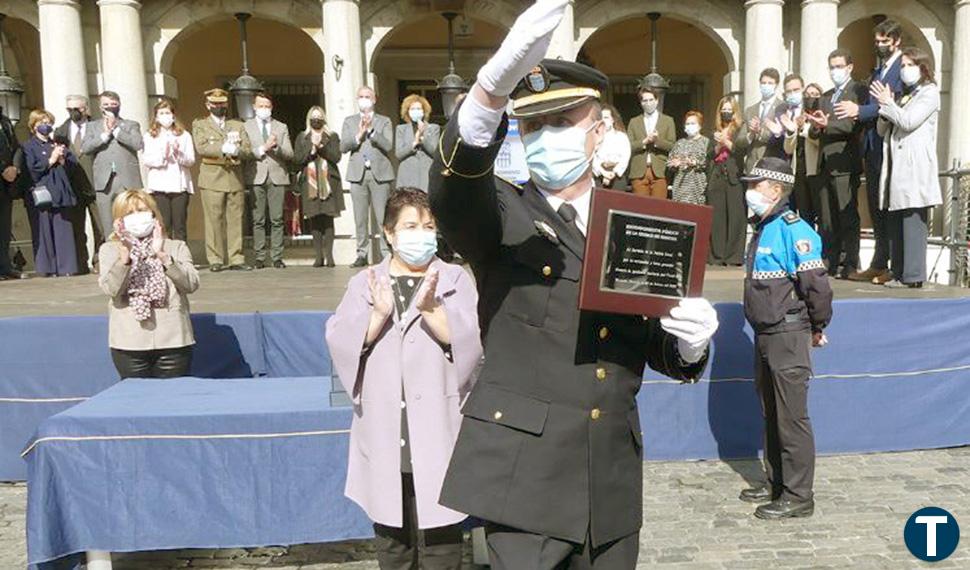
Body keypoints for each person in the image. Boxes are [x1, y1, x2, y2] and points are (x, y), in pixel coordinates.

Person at [428, 2, 720, 566]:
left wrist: (688, 342)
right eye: (532, 125)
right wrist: (488, 93)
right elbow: (454, 190)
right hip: (526, 483)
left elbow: (639, 340)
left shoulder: (636, 222)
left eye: (561, 122)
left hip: (608, 479)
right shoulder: (502, 212)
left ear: (601, 128)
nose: (544, 137)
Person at [326, 188, 481, 570]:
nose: (421, 234)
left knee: (442, 541)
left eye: (428, 226)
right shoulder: (366, 281)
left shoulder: (454, 278)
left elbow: (476, 343)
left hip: (438, 430)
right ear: (389, 233)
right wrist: (377, 316)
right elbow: (339, 341)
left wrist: (434, 315)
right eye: (410, 226)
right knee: (393, 545)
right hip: (386, 432)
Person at [738, 157, 832, 520]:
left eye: (755, 185)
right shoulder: (766, 226)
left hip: (788, 333)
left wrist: (818, 326)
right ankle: (776, 481)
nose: (749, 191)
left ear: (775, 190)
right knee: (772, 414)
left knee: (791, 418)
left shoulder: (796, 230)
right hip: (765, 333)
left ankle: (798, 495)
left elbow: (817, 288)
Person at [98, 189, 199, 379]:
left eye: (142, 211)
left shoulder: (175, 247)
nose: (137, 217)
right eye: (129, 213)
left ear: (154, 214)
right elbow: (111, 289)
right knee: (137, 401)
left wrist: (163, 256)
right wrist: (124, 259)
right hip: (129, 342)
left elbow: (191, 284)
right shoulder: (109, 250)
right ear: (119, 221)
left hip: (173, 341)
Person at [839, 20, 905, 284]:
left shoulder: (902, 68)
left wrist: (861, 111)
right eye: (876, 41)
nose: (879, 46)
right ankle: (878, 262)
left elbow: (895, 104)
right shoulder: (880, 70)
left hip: (889, 147)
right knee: (876, 207)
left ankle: (891, 265)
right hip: (872, 146)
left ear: (896, 41)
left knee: (888, 208)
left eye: (885, 42)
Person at [871, 47, 942, 289]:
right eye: (902, 65)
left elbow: (909, 121)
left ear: (922, 67)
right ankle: (898, 271)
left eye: (909, 65)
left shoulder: (929, 93)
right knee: (896, 220)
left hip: (914, 167)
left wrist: (888, 103)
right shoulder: (904, 96)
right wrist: (884, 108)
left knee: (912, 219)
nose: (904, 70)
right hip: (894, 167)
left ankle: (913, 276)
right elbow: (883, 130)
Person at [806, 49, 867, 279]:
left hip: (844, 161)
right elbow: (815, 130)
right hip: (824, 163)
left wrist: (827, 125)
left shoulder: (858, 90)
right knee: (827, 217)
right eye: (832, 66)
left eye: (839, 66)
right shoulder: (827, 95)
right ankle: (829, 260)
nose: (835, 71)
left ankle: (849, 262)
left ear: (849, 67)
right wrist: (816, 125)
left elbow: (854, 125)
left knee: (847, 215)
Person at [193, 88, 253, 272]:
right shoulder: (200, 124)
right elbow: (201, 147)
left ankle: (236, 258)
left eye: (222, 104)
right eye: (215, 104)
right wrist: (222, 148)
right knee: (213, 220)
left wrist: (237, 151)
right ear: (208, 105)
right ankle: (215, 258)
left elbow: (248, 149)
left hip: (234, 177)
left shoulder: (237, 125)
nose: (219, 107)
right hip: (212, 178)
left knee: (236, 220)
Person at [342, 86, 394, 268]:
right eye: (361, 96)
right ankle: (361, 253)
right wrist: (358, 136)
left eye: (367, 96)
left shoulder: (384, 121)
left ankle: (386, 253)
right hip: (358, 175)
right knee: (360, 218)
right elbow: (343, 147)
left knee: (383, 218)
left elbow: (388, 145)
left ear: (374, 99)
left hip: (379, 174)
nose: (364, 99)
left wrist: (371, 131)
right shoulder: (349, 121)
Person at [81, 90, 144, 240]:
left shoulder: (130, 124)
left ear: (119, 105)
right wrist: (104, 136)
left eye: (113, 104)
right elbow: (86, 148)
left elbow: (138, 143)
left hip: (127, 181)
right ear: (100, 107)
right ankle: (112, 256)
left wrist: (116, 131)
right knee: (109, 227)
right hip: (104, 182)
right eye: (106, 105)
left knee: (132, 223)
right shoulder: (92, 127)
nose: (109, 107)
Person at [23, 109, 79, 277]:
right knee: (43, 231)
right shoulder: (28, 146)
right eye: (41, 123)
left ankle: (66, 267)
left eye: (48, 123)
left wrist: (62, 159)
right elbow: (32, 169)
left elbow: (72, 166)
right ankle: (47, 268)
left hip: (60, 192)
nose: (46, 126)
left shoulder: (56, 144)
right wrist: (50, 160)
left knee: (63, 229)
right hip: (42, 192)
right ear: (34, 126)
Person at [244, 92, 294, 269]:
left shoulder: (281, 127)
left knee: (277, 219)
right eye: (261, 106)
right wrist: (263, 148)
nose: (264, 109)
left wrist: (276, 147)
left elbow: (290, 153)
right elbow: (245, 152)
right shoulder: (247, 127)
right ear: (254, 107)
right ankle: (259, 256)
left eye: (267, 106)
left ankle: (277, 256)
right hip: (256, 175)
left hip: (277, 176)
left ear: (271, 108)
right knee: (258, 219)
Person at [293, 106, 344, 268]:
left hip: (329, 182)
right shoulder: (302, 137)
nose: (316, 120)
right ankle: (318, 256)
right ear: (309, 119)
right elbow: (298, 159)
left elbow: (336, 157)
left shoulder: (332, 136)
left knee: (328, 219)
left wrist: (322, 147)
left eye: (319, 117)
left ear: (324, 119)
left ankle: (329, 256)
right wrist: (312, 149)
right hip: (310, 182)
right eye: (313, 117)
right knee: (314, 218)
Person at [54, 95, 100, 274]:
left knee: (100, 226)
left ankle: (99, 260)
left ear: (86, 108)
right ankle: (80, 262)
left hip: (96, 183)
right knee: (76, 226)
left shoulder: (97, 126)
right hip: (73, 185)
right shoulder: (60, 131)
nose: (74, 112)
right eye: (70, 109)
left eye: (78, 109)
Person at [142, 98, 195, 242]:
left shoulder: (184, 135)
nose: (165, 116)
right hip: (159, 186)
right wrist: (163, 156)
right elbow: (147, 160)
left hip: (179, 186)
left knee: (180, 225)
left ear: (173, 115)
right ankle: (165, 257)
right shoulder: (149, 136)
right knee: (163, 224)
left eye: (168, 112)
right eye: (162, 113)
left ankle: (181, 258)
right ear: (156, 116)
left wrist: (179, 154)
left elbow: (191, 160)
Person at [708, 96, 746, 266]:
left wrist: (726, 141)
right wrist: (717, 145)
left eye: (729, 110)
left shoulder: (739, 129)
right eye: (723, 110)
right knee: (718, 217)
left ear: (735, 111)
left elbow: (741, 151)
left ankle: (733, 256)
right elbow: (709, 155)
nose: (726, 113)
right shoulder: (714, 130)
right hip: (717, 176)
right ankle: (717, 255)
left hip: (734, 175)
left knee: (736, 216)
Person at [784, 82, 824, 230]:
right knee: (804, 214)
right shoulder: (799, 116)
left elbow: (819, 141)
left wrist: (805, 128)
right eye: (807, 95)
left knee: (820, 213)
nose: (810, 97)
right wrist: (791, 131)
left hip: (816, 172)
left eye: (814, 95)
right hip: (799, 172)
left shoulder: (822, 116)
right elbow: (788, 149)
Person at [627, 86, 675, 199]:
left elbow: (672, 146)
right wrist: (644, 141)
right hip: (639, 171)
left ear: (657, 100)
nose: (648, 103)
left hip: (660, 171)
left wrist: (657, 141)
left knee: (659, 209)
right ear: (641, 102)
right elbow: (628, 146)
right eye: (645, 100)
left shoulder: (668, 121)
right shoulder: (634, 122)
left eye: (651, 100)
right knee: (640, 209)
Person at [739, 68, 783, 173]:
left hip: (773, 165)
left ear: (776, 85)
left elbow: (781, 138)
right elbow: (740, 141)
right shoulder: (750, 110)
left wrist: (760, 131)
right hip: (752, 166)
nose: (766, 86)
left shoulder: (782, 107)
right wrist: (751, 134)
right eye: (763, 83)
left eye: (770, 83)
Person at [395, 94, 440, 192]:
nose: (416, 111)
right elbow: (399, 154)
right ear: (407, 111)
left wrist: (422, 136)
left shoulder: (433, 128)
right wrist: (414, 142)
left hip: (426, 175)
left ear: (424, 111)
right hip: (407, 176)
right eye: (412, 109)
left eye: (419, 109)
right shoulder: (401, 129)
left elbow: (434, 152)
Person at [0, 104, 24, 281]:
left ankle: (5, 267)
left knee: (4, 227)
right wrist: (3, 169)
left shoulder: (5, 121)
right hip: (3, 173)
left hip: (6, 184)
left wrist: (15, 167)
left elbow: (16, 147)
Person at [667, 111, 710, 205]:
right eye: (687, 123)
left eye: (693, 123)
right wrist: (674, 164)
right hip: (680, 186)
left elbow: (709, 162)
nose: (690, 126)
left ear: (700, 125)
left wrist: (695, 163)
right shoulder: (680, 143)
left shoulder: (706, 142)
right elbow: (670, 162)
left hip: (697, 186)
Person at [591, 103, 631, 190]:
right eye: (601, 118)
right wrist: (603, 173)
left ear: (612, 119)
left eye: (606, 117)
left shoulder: (621, 136)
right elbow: (591, 156)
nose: (604, 120)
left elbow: (625, 156)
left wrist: (614, 172)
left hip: (617, 176)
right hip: (599, 175)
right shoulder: (594, 136)